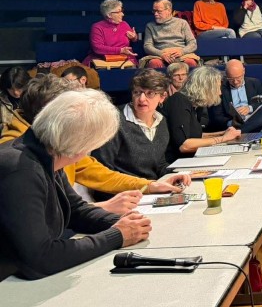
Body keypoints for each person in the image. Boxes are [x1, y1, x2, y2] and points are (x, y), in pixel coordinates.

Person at [0, 89, 152, 280]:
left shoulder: (45, 153)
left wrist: (123, 224)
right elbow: (40, 258)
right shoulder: (22, 171)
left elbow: (75, 210)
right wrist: (117, 235)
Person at [1, 74, 190, 209]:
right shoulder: (17, 157)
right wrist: (105, 208)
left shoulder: (53, 140)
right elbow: (43, 226)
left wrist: (149, 186)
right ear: (53, 114)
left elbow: (99, 174)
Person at [93, 70, 175, 181]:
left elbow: (159, 164)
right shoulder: (114, 120)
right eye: (137, 92)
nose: (141, 99)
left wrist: (178, 174)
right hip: (123, 189)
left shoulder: (161, 121)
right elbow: (102, 169)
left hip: (151, 187)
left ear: (162, 97)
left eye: (150, 93)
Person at [163, 66, 242, 161]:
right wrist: (223, 139)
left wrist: (223, 133)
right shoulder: (178, 102)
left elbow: (196, 136)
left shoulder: (194, 105)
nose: (220, 93)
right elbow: (184, 145)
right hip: (175, 161)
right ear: (205, 88)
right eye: (217, 88)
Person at [207, 59, 262, 133]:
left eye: (238, 78)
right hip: (233, 123)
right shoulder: (220, 88)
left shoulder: (254, 83)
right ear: (226, 74)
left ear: (244, 71)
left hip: (253, 119)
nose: (235, 82)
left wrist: (250, 108)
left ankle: (240, 132)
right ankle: (241, 131)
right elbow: (216, 115)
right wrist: (230, 123)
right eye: (231, 79)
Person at [141, 0, 199, 69]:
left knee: (190, 62)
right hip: (160, 55)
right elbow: (147, 46)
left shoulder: (182, 23)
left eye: (159, 11)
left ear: (169, 10)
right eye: (154, 11)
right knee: (155, 63)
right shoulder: (150, 26)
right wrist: (161, 54)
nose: (155, 14)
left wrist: (182, 51)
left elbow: (193, 44)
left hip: (181, 54)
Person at [84, 0, 138, 65]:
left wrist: (134, 37)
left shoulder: (124, 24)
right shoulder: (97, 27)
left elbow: (134, 40)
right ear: (109, 15)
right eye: (119, 12)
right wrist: (120, 50)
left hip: (124, 59)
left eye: (122, 11)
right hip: (102, 60)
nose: (122, 14)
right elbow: (97, 48)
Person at [0, 66, 30, 134]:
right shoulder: (1, 101)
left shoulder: (34, 98)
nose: (15, 92)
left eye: (19, 88)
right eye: (11, 89)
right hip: (7, 136)